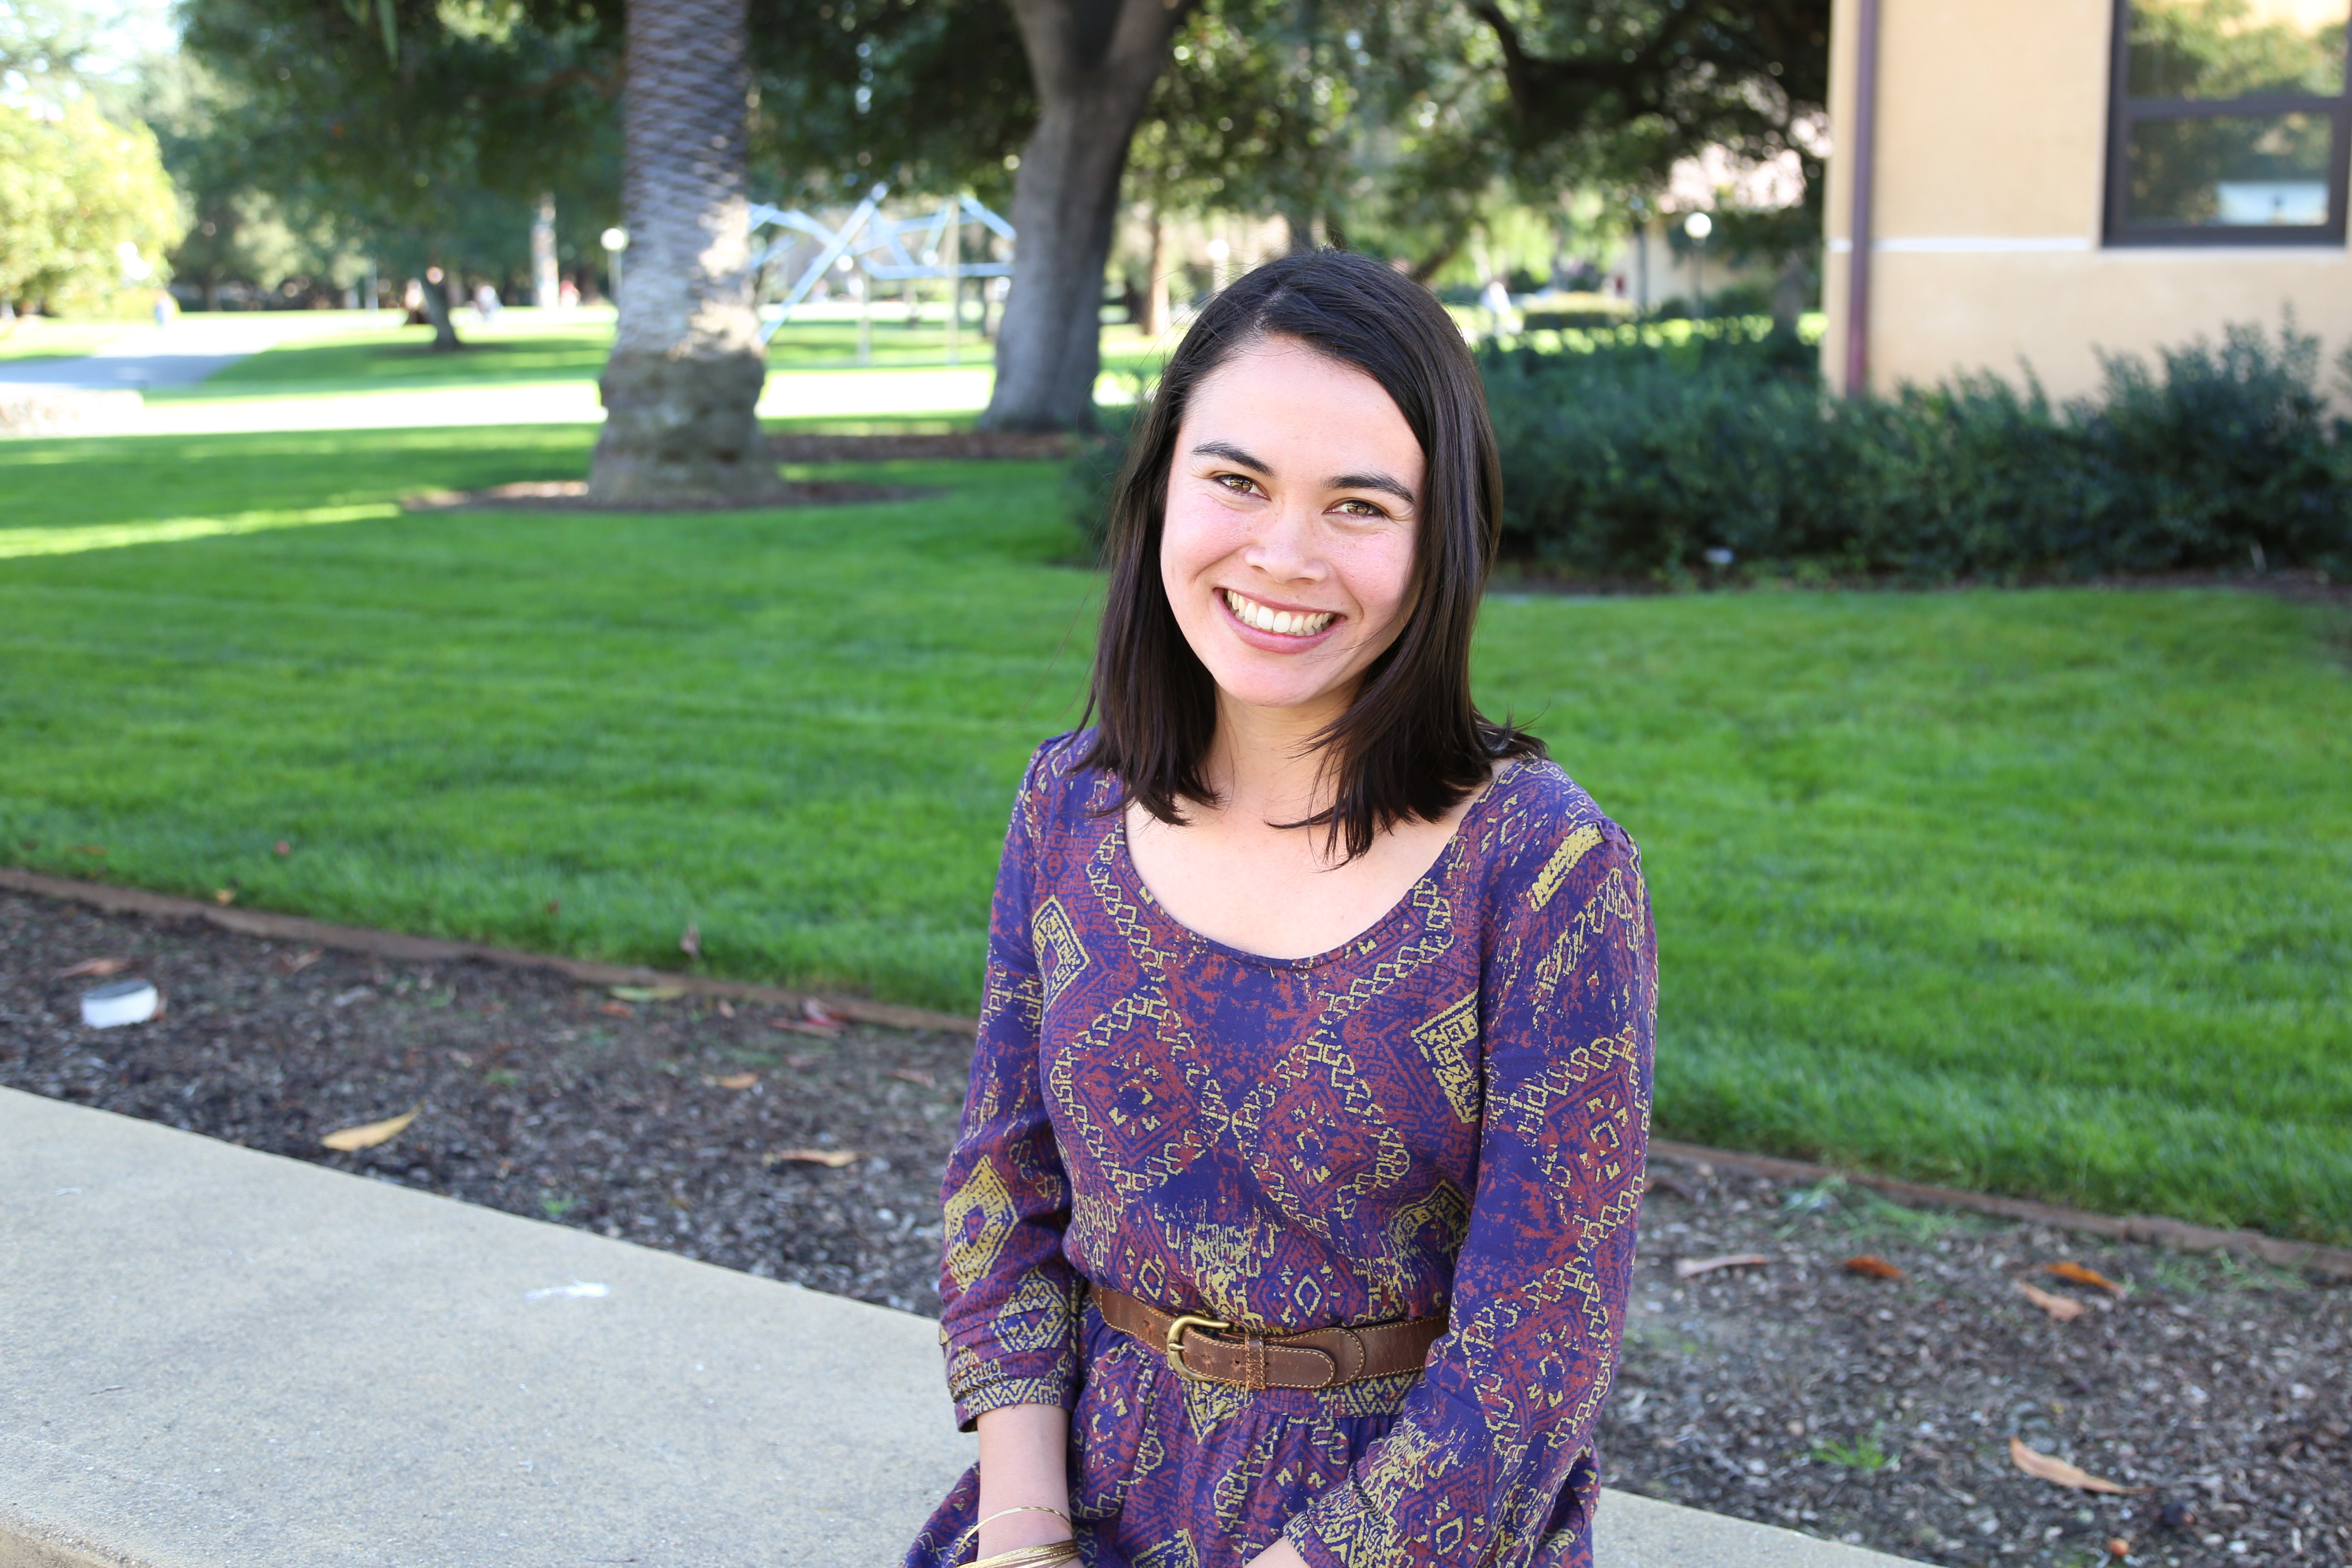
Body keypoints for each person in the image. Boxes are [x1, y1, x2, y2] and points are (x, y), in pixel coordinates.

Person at [910, 249, 1656, 1568]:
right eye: (1236, 480)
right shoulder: (1067, 806)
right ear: (1159, 494)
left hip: (1409, 1536)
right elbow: (999, 1191)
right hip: (1084, 1497)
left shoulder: (1543, 872)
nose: (1283, 554)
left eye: (1359, 505)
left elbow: (1536, 1352)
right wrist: (1023, 1533)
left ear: (1442, 539)